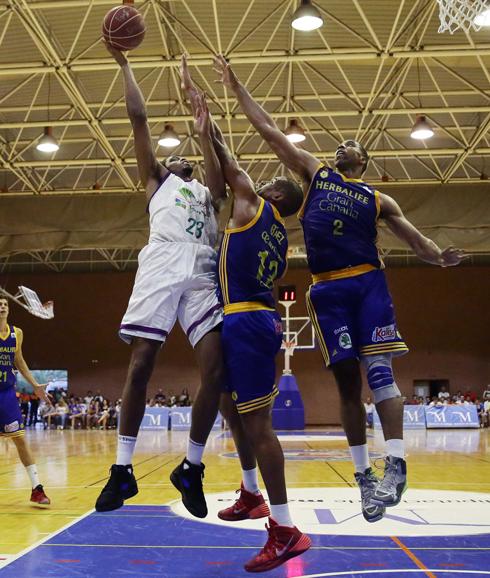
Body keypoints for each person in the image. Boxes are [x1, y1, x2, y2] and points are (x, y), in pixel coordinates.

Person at [213, 54, 467, 523]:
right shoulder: (316, 174)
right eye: (341, 143)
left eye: (352, 144)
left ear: (363, 161)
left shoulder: (378, 198)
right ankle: (364, 477)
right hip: (327, 290)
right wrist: (236, 88)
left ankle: (395, 465)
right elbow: (270, 130)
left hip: (367, 283)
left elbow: (415, 239)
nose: (343, 145)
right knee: (347, 383)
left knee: (381, 372)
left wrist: (437, 256)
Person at [95, 42, 226, 513]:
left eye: (188, 155)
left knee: (217, 369)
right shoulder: (157, 181)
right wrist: (125, 63)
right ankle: (122, 470)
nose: (181, 157)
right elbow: (139, 118)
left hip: (203, 268)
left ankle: (191, 467)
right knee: (141, 364)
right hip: (163, 262)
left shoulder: (208, 193)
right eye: (176, 156)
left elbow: (217, 173)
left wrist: (205, 128)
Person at [0, 297, 51, 505]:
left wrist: (35, 385)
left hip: (6, 394)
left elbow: (19, 361)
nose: (3, 306)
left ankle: (37, 489)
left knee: (20, 439)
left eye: (5, 304)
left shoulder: (17, 333)